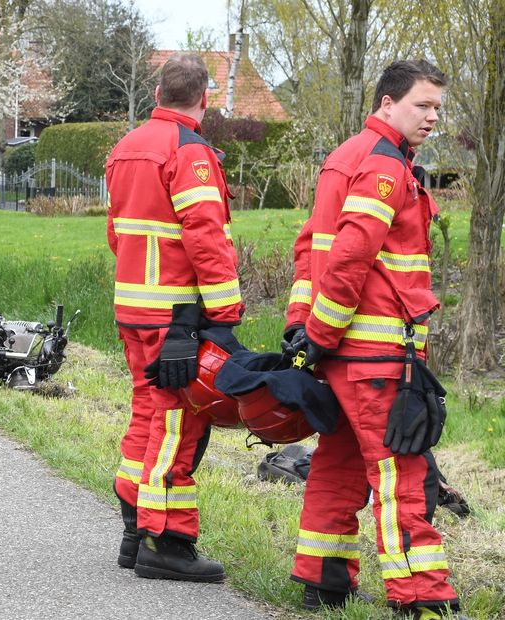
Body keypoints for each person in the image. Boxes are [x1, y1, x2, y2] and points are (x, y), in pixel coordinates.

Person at [282, 60, 464, 619]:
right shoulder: (384, 166)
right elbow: (350, 257)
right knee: (402, 472)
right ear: (388, 103)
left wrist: (303, 327)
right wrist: (320, 330)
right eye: (422, 105)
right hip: (375, 356)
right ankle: (422, 597)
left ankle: (325, 581)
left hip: (340, 355)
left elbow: (310, 246)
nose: (433, 116)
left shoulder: (347, 156)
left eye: (437, 107)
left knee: (337, 464)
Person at [104, 52, 243, 583]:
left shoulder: (125, 147)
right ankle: (168, 542)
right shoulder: (191, 152)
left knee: (147, 411)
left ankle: (133, 527)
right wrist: (224, 316)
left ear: (157, 94)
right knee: (177, 424)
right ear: (204, 98)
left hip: (134, 306)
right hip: (177, 315)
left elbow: (118, 234)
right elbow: (206, 237)